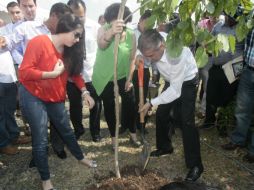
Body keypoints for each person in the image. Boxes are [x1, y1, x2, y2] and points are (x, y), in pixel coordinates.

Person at [18, 13, 97, 190]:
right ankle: (46, 180)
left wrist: (85, 92)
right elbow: (24, 72)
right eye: (76, 35)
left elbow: (75, 75)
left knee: (66, 130)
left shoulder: (70, 50)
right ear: (65, 28)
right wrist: (52, 74)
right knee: (41, 138)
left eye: (80, 36)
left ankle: (80, 157)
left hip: (54, 97)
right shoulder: (39, 42)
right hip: (33, 94)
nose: (78, 40)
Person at [0, 3, 73, 160]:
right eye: (24, 6)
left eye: (31, 5)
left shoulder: (61, 30)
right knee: (36, 122)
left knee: (58, 118)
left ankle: (58, 147)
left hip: (55, 82)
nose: (28, 9)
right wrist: (3, 42)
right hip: (33, 84)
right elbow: (9, 41)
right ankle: (39, 153)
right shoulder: (26, 28)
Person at [138, 29, 203, 181]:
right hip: (171, 79)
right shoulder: (156, 39)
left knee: (186, 122)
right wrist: (140, 57)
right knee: (162, 113)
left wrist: (150, 102)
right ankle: (165, 147)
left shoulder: (177, 55)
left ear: (162, 47)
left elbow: (175, 91)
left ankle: (196, 165)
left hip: (187, 81)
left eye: (151, 56)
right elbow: (143, 52)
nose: (150, 60)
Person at [92, 3, 140, 148]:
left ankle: (132, 133)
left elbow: (132, 58)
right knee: (110, 106)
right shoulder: (103, 29)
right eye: (113, 19)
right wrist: (111, 32)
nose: (118, 22)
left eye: (121, 19)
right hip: (105, 76)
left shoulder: (131, 34)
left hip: (123, 76)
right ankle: (114, 138)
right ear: (109, 20)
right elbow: (101, 44)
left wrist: (130, 79)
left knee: (130, 104)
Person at [200, 14, 244, 137]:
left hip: (234, 66)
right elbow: (209, 41)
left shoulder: (242, 28)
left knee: (227, 97)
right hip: (217, 66)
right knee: (211, 94)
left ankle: (223, 125)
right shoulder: (218, 25)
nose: (231, 19)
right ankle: (209, 121)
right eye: (229, 16)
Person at [67, 0, 102, 142]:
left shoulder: (95, 27)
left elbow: (101, 48)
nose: (78, 20)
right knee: (75, 106)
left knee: (96, 104)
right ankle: (78, 129)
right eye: (74, 16)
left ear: (85, 12)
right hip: (73, 75)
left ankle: (95, 131)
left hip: (93, 73)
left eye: (80, 16)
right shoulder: (66, 29)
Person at [221, 27, 254, 163]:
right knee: (241, 109)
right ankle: (238, 140)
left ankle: (253, 151)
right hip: (248, 70)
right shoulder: (250, 17)